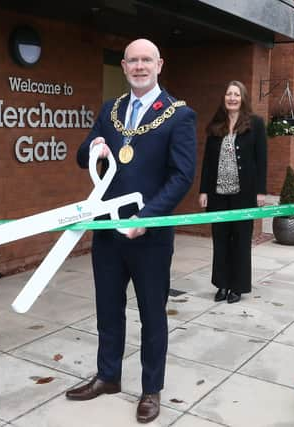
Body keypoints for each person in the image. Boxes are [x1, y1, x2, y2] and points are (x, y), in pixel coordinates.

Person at [65, 39, 197, 424]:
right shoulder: (112, 110)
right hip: (107, 230)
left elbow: (182, 175)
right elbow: (82, 155)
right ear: (123, 66)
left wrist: (145, 218)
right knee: (108, 308)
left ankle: (151, 389)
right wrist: (96, 148)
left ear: (159, 64)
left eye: (146, 60)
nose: (139, 66)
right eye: (133, 60)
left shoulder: (179, 115)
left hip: (150, 235)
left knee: (152, 314)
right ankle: (108, 376)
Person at [198, 80, 267, 304]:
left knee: (240, 239)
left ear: (243, 98)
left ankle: (237, 286)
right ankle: (222, 284)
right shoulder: (216, 125)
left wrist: (261, 191)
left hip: (243, 193)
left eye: (236, 94)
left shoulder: (255, 124)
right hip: (218, 194)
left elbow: (261, 160)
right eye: (229, 94)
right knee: (220, 240)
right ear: (224, 98)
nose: (232, 98)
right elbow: (207, 162)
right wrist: (203, 191)